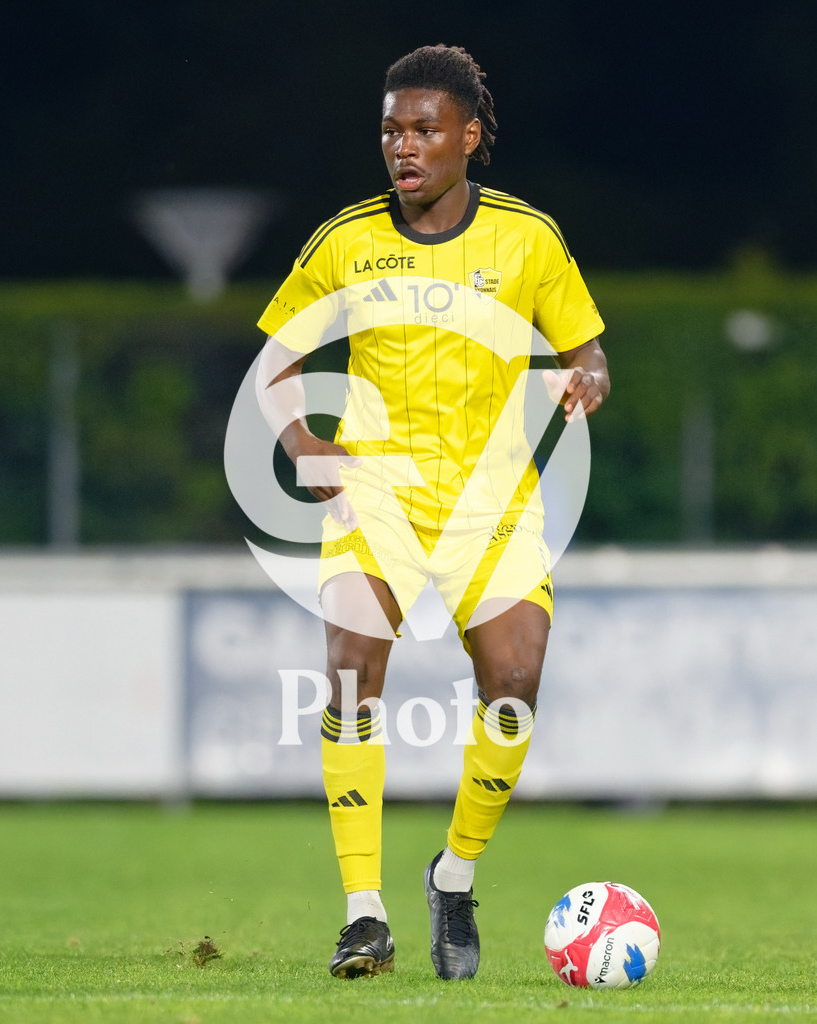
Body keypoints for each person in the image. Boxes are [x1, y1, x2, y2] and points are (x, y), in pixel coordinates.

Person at [256, 44, 609, 981]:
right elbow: (275, 366)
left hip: (491, 505)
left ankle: (452, 877)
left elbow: (587, 349)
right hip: (376, 495)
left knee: (515, 680)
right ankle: (363, 915)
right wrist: (303, 444)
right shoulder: (344, 241)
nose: (402, 146)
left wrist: (585, 378)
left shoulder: (527, 239)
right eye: (390, 130)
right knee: (348, 670)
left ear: (469, 136)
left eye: (423, 129)